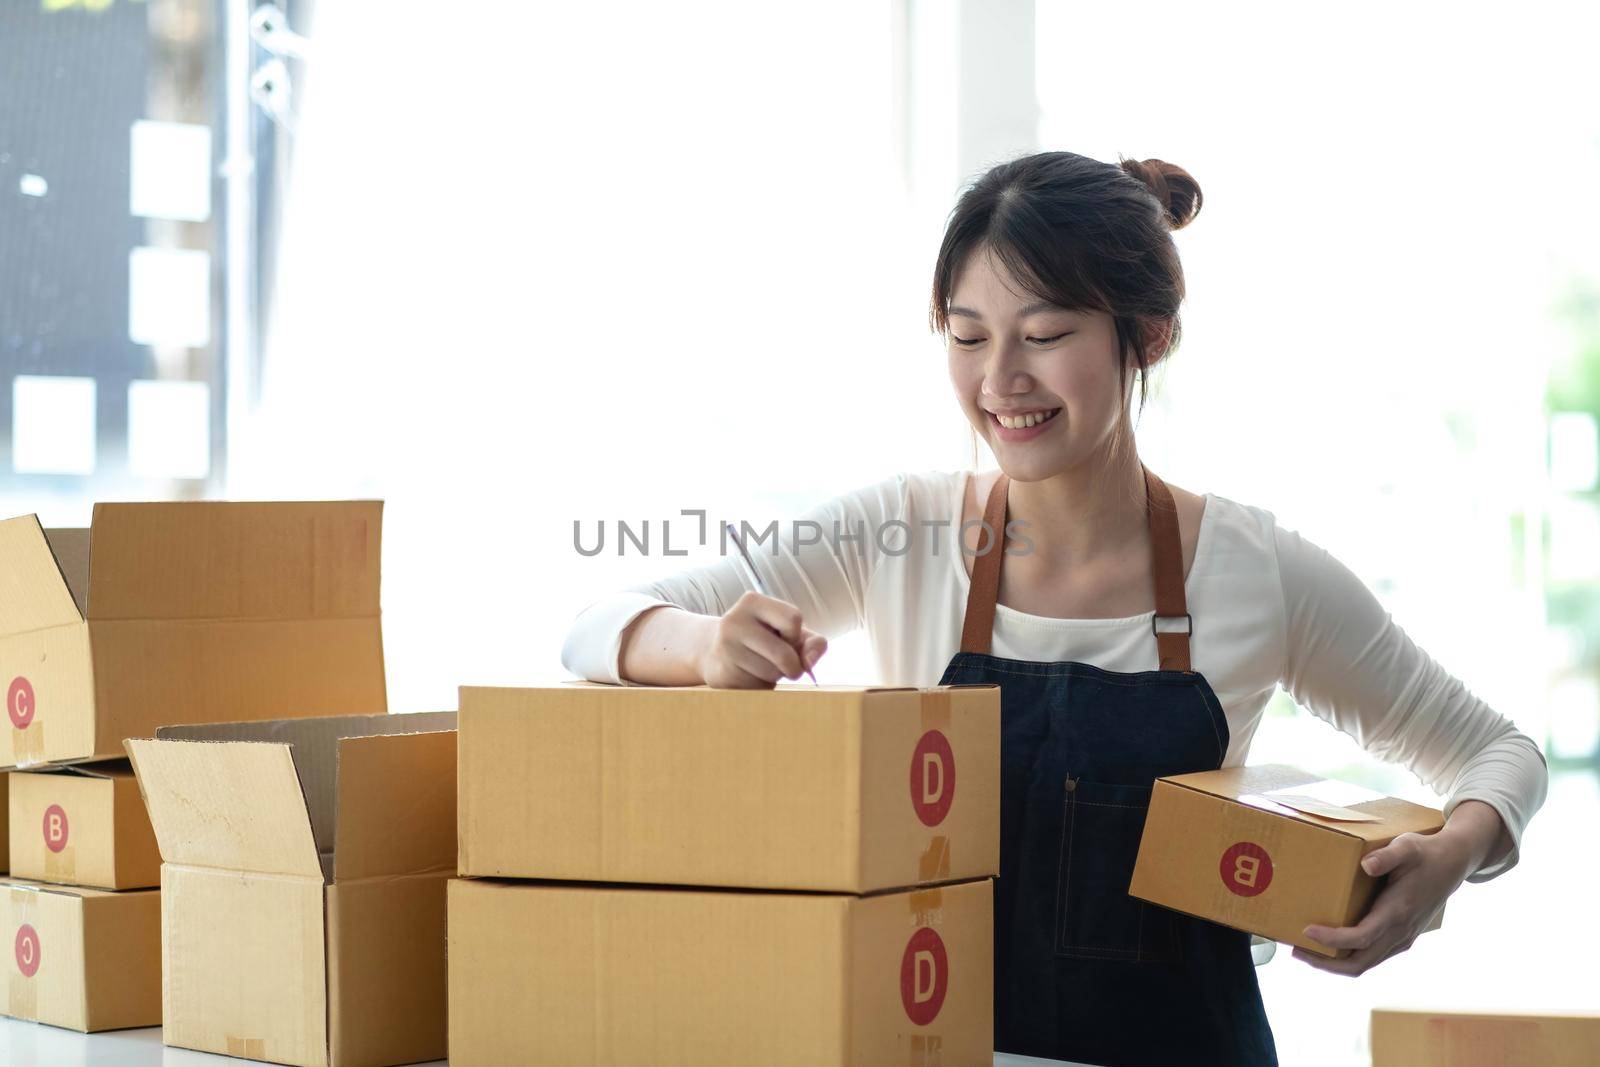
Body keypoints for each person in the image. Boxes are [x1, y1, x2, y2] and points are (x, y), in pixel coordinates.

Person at [558, 150, 1549, 1066]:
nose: (1000, 382)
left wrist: (1444, 863)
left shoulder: (1257, 570)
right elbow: (595, 620)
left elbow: (1500, 753)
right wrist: (707, 648)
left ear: (1145, 337)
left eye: (1043, 335)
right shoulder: (900, 530)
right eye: (967, 337)